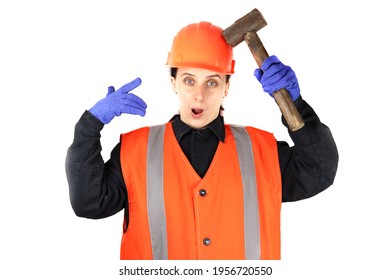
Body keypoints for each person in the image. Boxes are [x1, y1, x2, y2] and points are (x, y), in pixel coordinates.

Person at [65, 21, 338, 260]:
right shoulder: (134, 151)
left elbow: (320, 171)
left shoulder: (262, 151)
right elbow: (89, 203)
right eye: (188, 80)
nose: (199, 95)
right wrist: (90, 125)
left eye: (212, 82)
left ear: (227, 88)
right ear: (172, 83)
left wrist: (296, 104)